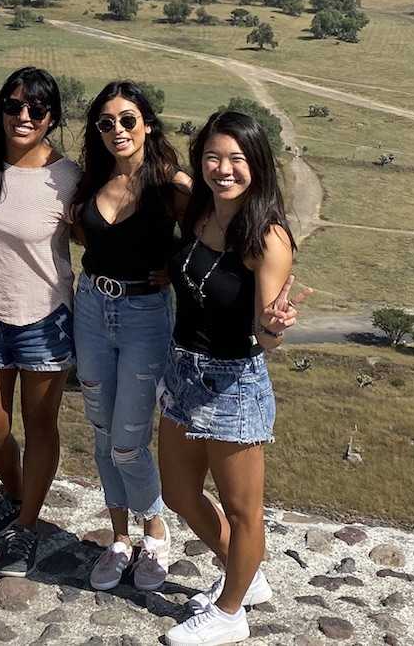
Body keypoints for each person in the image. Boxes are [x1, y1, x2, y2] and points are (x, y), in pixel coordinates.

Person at [160, 111, 301, 646]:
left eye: (237, 159)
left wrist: (275, 326)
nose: (224, 169)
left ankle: (230, 611)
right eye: (214, 157)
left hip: (233, 381)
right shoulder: (198, 210)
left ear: (257, 166)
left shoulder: (266, 238)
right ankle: (246, 573)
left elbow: (266, 336)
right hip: (182, 371)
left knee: (244, 511)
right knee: (177, 492)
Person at [0, 66, 79, 577]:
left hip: (43, 320)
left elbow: (116, 219)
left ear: (51, 118)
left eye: (36, 109)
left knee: (40, 426)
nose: (23, 116)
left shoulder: (67, 178)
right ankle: (16, 492)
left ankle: (27, 528)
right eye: (13, 105)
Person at [70, 81, 191, 592]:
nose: (116, 130)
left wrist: (176, 270)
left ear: (148, 124)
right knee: (101, 431)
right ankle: (120, 539)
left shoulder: (173, 186)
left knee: (128, 444)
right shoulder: (91, 181)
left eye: (126, 120)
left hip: (144, 315)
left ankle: (156, 532)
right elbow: (83, 234)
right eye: (105, 122)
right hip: (93, 307)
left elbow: (211, 238)